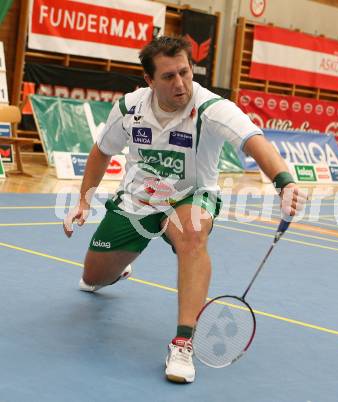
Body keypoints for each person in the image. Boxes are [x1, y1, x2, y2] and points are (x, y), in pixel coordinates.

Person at [63, 36, 306, 384]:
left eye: (185, 72)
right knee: (92, 279)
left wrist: (286, 182)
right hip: (138, 200)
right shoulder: (131, 108)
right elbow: (101, 150)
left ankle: (182, 343)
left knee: (192, 233)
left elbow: (255, 142)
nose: (180, 84)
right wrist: (85, 201)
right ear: (149, 80)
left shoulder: (211, 108)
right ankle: (119, 266)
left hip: (192, 196)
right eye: (168, 77)